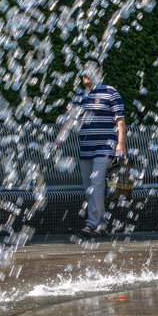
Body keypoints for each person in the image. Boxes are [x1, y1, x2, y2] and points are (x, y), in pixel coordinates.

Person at [55, 62, 126, 236]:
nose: (86, 75)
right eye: (84, 72)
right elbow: (70, 120)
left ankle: (91, 223)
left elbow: (120, 121)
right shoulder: (79, 95)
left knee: (96, 183)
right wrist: (59, 139)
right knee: (90, 186)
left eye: (90, 71)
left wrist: (121, 144)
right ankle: (101, 225)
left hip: (105, 146)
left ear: (98, 73)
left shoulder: (110, 92)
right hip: (86, 147)